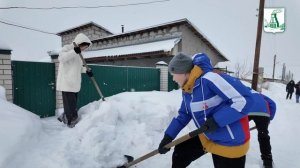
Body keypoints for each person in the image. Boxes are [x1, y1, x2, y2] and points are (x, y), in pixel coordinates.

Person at [158, 53, 254, 168]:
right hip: (209, 133)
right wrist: (168, 137)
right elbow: (184, 114)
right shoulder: (188, 89)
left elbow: (245, 100)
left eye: (174, 74)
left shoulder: (211, 79)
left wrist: (216, 121)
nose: (173, 78)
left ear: (184, 72)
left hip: (229, 140)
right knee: (181, 153)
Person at [56, 33, 93, 128]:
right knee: (71, 107)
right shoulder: (67, 48)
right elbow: (61, 58)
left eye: (86, 47)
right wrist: (74, 52)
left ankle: (64, 117)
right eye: (84, 46)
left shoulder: (80, 54)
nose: (84, 49)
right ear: (79, 43)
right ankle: (71, 122)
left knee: (71, 105)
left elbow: (79, 68)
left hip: (75, 84)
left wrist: (86, 71)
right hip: (67, 83)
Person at [248, 90, 276, 168]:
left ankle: (236, 151)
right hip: (263, 113)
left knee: (238, 129)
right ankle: (267, 161)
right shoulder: (260, 95)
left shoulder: (243, 91)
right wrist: (269, 118)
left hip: (248, 111)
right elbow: (273, 104)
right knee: (263, 135)